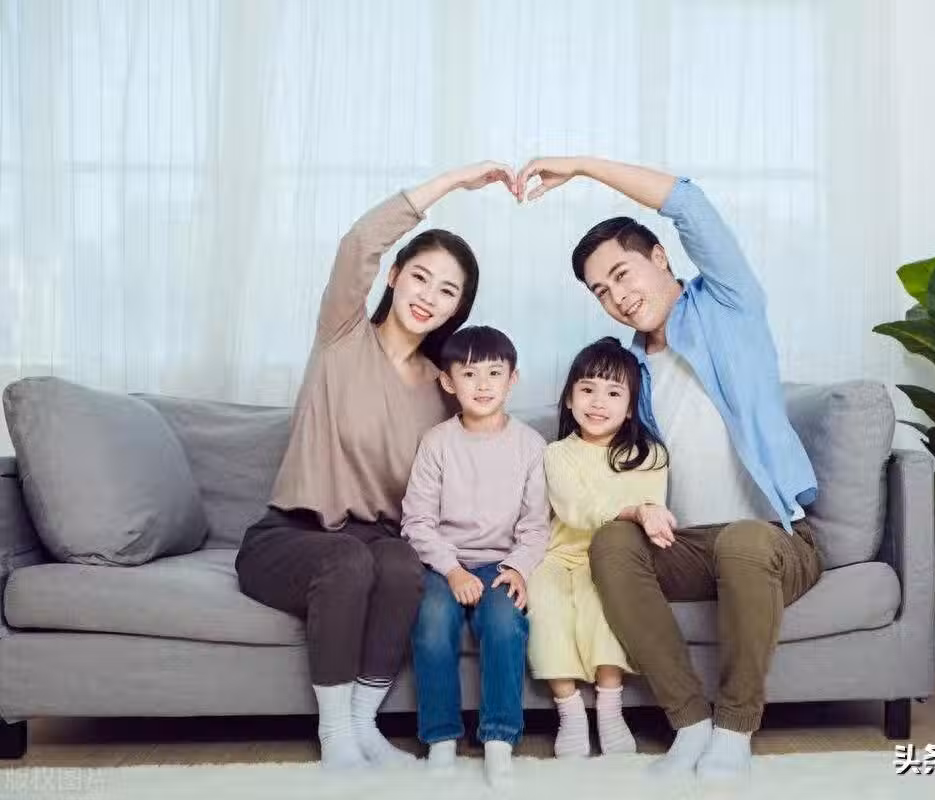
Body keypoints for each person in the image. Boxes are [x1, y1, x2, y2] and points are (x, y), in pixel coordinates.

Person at [514, 157, 824, 780]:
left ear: (659, 257)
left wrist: (581, 166)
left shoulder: (729, 304)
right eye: (601, 292)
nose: (618, 297)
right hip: (682, 547)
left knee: (742, 541)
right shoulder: (628, 373)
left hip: (772, 540)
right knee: (611, 541)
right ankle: (690, 723)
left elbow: (688, 202)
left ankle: (734, 728)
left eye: (621, 274)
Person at [234, 162, 519, 770]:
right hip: (290, 536)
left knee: (398, 564)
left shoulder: (444, 387)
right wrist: (454, 182)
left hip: (380, 542)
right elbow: (358, 242)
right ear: (393, 276)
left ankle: (365, 726)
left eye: (448, 291)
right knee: (348, 560)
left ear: (457, 310)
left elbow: (481, 456)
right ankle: (337, 735)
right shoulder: (342, 335)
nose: (429, 297)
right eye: (420, 277)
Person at [401, 325, 550, 787]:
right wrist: (451, 570)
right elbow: (417, 521)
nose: (482, 384)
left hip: (501, 563)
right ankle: (441, 738)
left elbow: (536, 526)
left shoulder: (531, 446)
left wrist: (518, 568)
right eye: (468, 374)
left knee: (505, 623)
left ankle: (499, 739)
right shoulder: (437, 442)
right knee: (431, 622)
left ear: (512, 379)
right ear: (448, 382)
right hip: (443, 562)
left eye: (494, 373)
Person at [526, 337, 671, 759]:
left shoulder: (650, 455)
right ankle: (569, 709)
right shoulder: (556, 454)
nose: (597, 402)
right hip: (558, 555)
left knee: (604, 601)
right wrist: (632, 509)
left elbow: (650, 514)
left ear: (630, 407)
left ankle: (610, 707)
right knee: (545, 603)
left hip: (616, 561)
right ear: (569, 399)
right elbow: (575, 506)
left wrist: (641, 513)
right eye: (587, 389)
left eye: (613, 393)